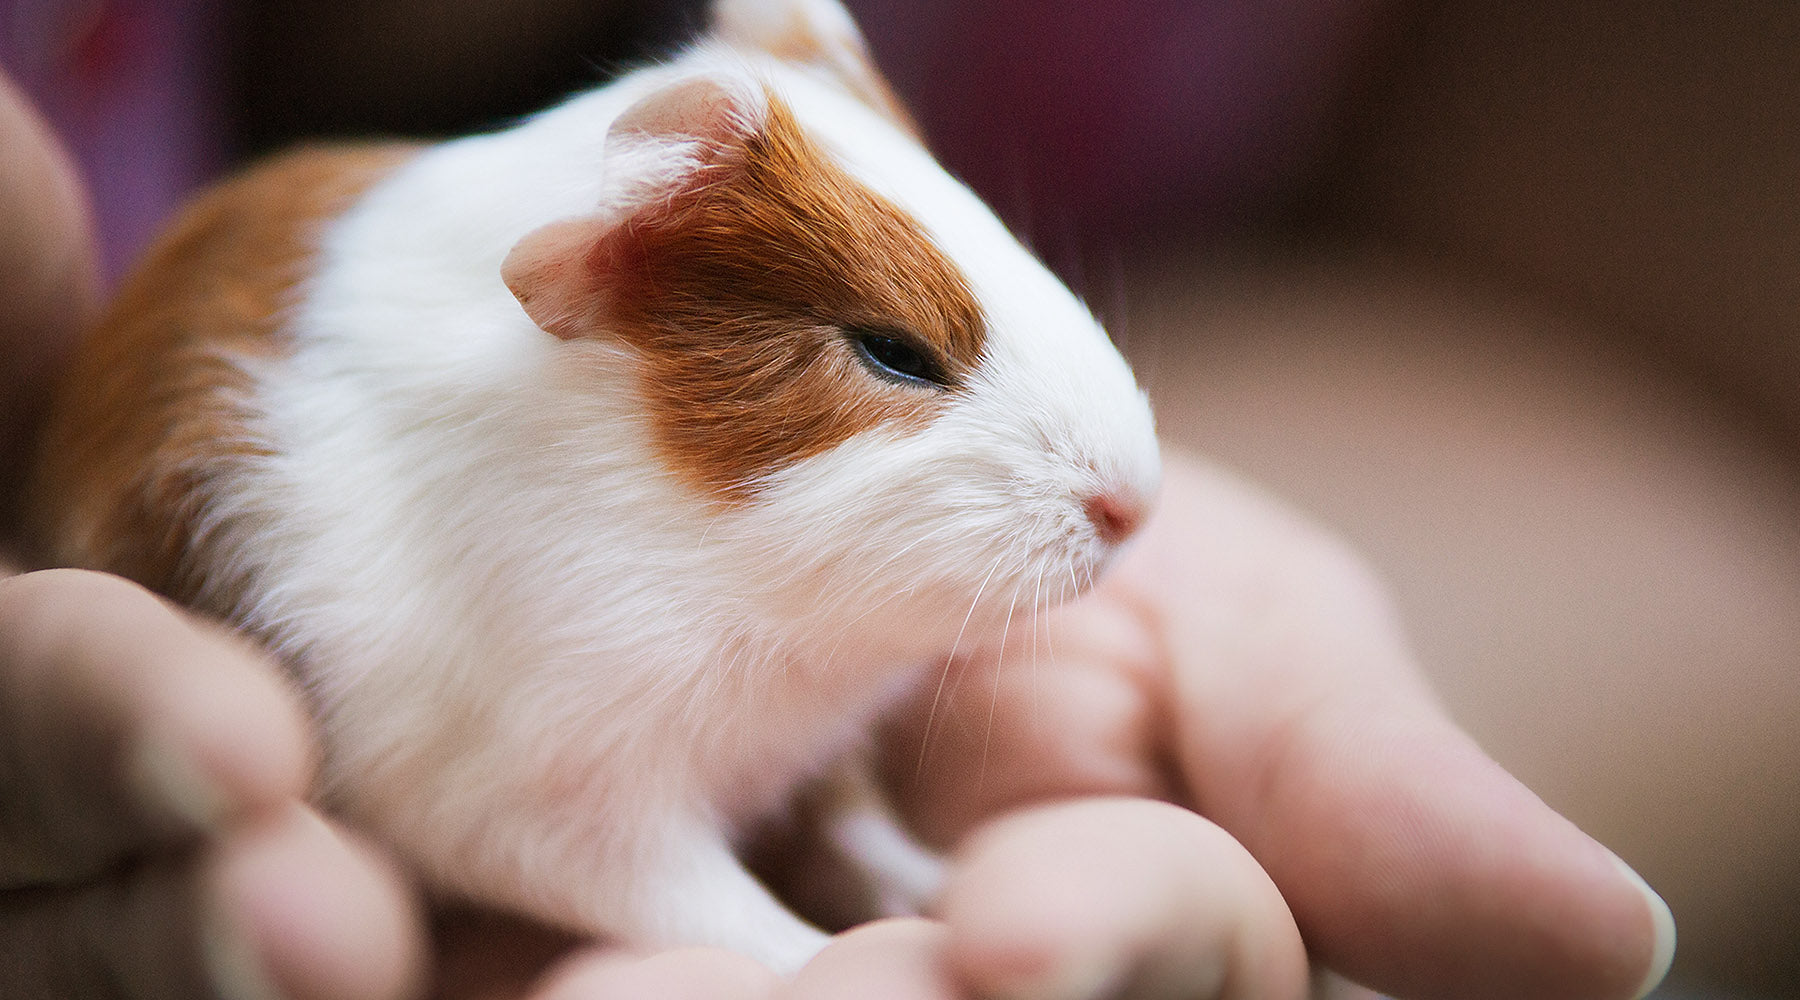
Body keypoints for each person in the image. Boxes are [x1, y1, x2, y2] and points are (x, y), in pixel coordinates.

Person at [0, 64, 1674, 1000]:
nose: (1118, 495)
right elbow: (526, 806)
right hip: (227, 735)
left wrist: (860, 840)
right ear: (607, 299)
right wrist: (788, 952)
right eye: (894, 354)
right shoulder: (518, 532)